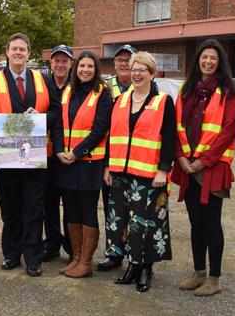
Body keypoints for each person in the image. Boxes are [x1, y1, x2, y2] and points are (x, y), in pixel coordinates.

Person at [0, 33, 61, 277]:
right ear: (7, 52)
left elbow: (57, 113)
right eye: (14, 49)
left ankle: (33, 257)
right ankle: (11, 254)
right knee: (10, 209)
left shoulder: (44, 79)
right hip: (3, 157)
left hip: (36, 157)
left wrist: (38, 119)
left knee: (34, 208)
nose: (18, 53)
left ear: (29, 53)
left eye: (23, 49)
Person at [171, 38, 235, 296]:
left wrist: (203, 160)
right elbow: (176, 126)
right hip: (187, 164)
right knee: (195, 222)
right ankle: (199, 272)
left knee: (212, 222)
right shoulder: (186, 88)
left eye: (213, 58)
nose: (208, 62)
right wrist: (181, 158)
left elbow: (228, 130)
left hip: (211, 167)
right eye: (204, 57)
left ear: (220, 61)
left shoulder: (229, 89)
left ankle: (214, 277)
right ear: (197, 60)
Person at [104, 51, 175, 292]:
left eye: (142, 69)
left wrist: (164, 170)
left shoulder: (163, 101)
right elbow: (112, 136)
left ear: (152, 74)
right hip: (121, 174)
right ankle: (131, 266)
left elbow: (169, 139)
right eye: (133, 69)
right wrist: (108, 166)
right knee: (123, 223)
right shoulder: (121, 100)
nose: (136, 73)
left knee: (147, 224)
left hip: (149, 175)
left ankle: (145, 269)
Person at [53, 50, 112, 278]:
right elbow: (58, 124)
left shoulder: (102, 93)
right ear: (75, 69)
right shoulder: (68, 90)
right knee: (71, 211)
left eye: (89, 66)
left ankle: (86, 262)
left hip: (88, 162)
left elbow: (100, 130)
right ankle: (75, 258)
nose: (85, 70)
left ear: (96, 69)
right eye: (81, 66)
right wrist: (59, 150)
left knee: (87, 211)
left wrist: (76, 153)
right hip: (66, 161)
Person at [97, 43, 137, 272]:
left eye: (128, 60)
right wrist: (106, 164)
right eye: (120, 60)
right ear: (114, 64)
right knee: (113, 210)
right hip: (112, 158)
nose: (124, 64)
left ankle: (135, 255)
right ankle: (113, 254)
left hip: (137, 159)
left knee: (136, 211)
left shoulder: (147, 87)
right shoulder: (105, 87)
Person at [42, 44, 74, 262]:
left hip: (71, 156)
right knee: (48, 203)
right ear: (51, 63)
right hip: (46, 153)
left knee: (71, 203)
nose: (60, 64)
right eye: (57, 60)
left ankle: (72, 247)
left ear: (71, 63)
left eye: (65, 61)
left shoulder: (77, 85)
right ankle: (52, 243)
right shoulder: (42, 84)